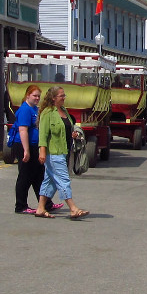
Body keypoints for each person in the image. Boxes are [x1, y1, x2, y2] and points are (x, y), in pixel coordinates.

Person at [33, 86, 89, 219]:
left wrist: (72, 134)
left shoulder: (63, 110)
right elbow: (43, 134)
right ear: (53, 98)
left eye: (64, 95)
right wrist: (42, 152)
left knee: (50, 181)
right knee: (63, 180)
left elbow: (66, 127)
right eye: (61, 96)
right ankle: (73, 208)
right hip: (53, 153)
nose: (64, 98)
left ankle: (40, 208)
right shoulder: (47, 113)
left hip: (64, 150)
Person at [13, 85, 57, 214]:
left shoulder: (34, 109)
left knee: (39, 176)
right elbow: (23, 130)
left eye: (38, 96)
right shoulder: (25, 110)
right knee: (25, 176)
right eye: (34, 96)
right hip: (24, 146)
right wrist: (26, 150)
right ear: (27, 95)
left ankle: (45, 204)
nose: (37, 98)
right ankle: (20, 206)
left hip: (34, 146)